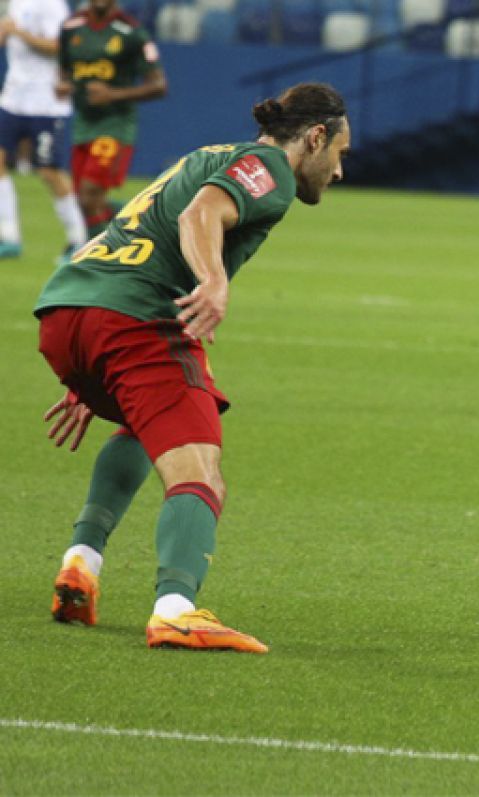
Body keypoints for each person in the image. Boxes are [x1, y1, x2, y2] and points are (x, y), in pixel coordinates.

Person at [35, 82, 351, 654]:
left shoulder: (212, 153)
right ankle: (176, 611)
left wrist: (94, 362)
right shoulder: (271, 169)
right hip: (133, 319)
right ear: (317, 136)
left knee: (150, 421)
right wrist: (213, 279)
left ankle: (80, 564)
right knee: (201, 472)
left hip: (69, 312)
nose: (338, 172)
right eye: (340, 155)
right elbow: (202, 213)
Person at [57, 0, 167, 240]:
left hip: (115, 124)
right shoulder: (70, 28)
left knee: (88, 196)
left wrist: (113, 94)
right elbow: (65, 69)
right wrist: (65, 84)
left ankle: (92, 257)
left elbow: (159, 85)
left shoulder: (132, 32)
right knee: (86, 201)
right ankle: (145, 219)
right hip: (83, 123)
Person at [0, 0, 89, 261]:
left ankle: (78, 239)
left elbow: (58, 47)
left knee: (49, 171)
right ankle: (9, 236)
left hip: (47, 103)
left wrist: (20, 33)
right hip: (13, 98)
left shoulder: (52, 4)